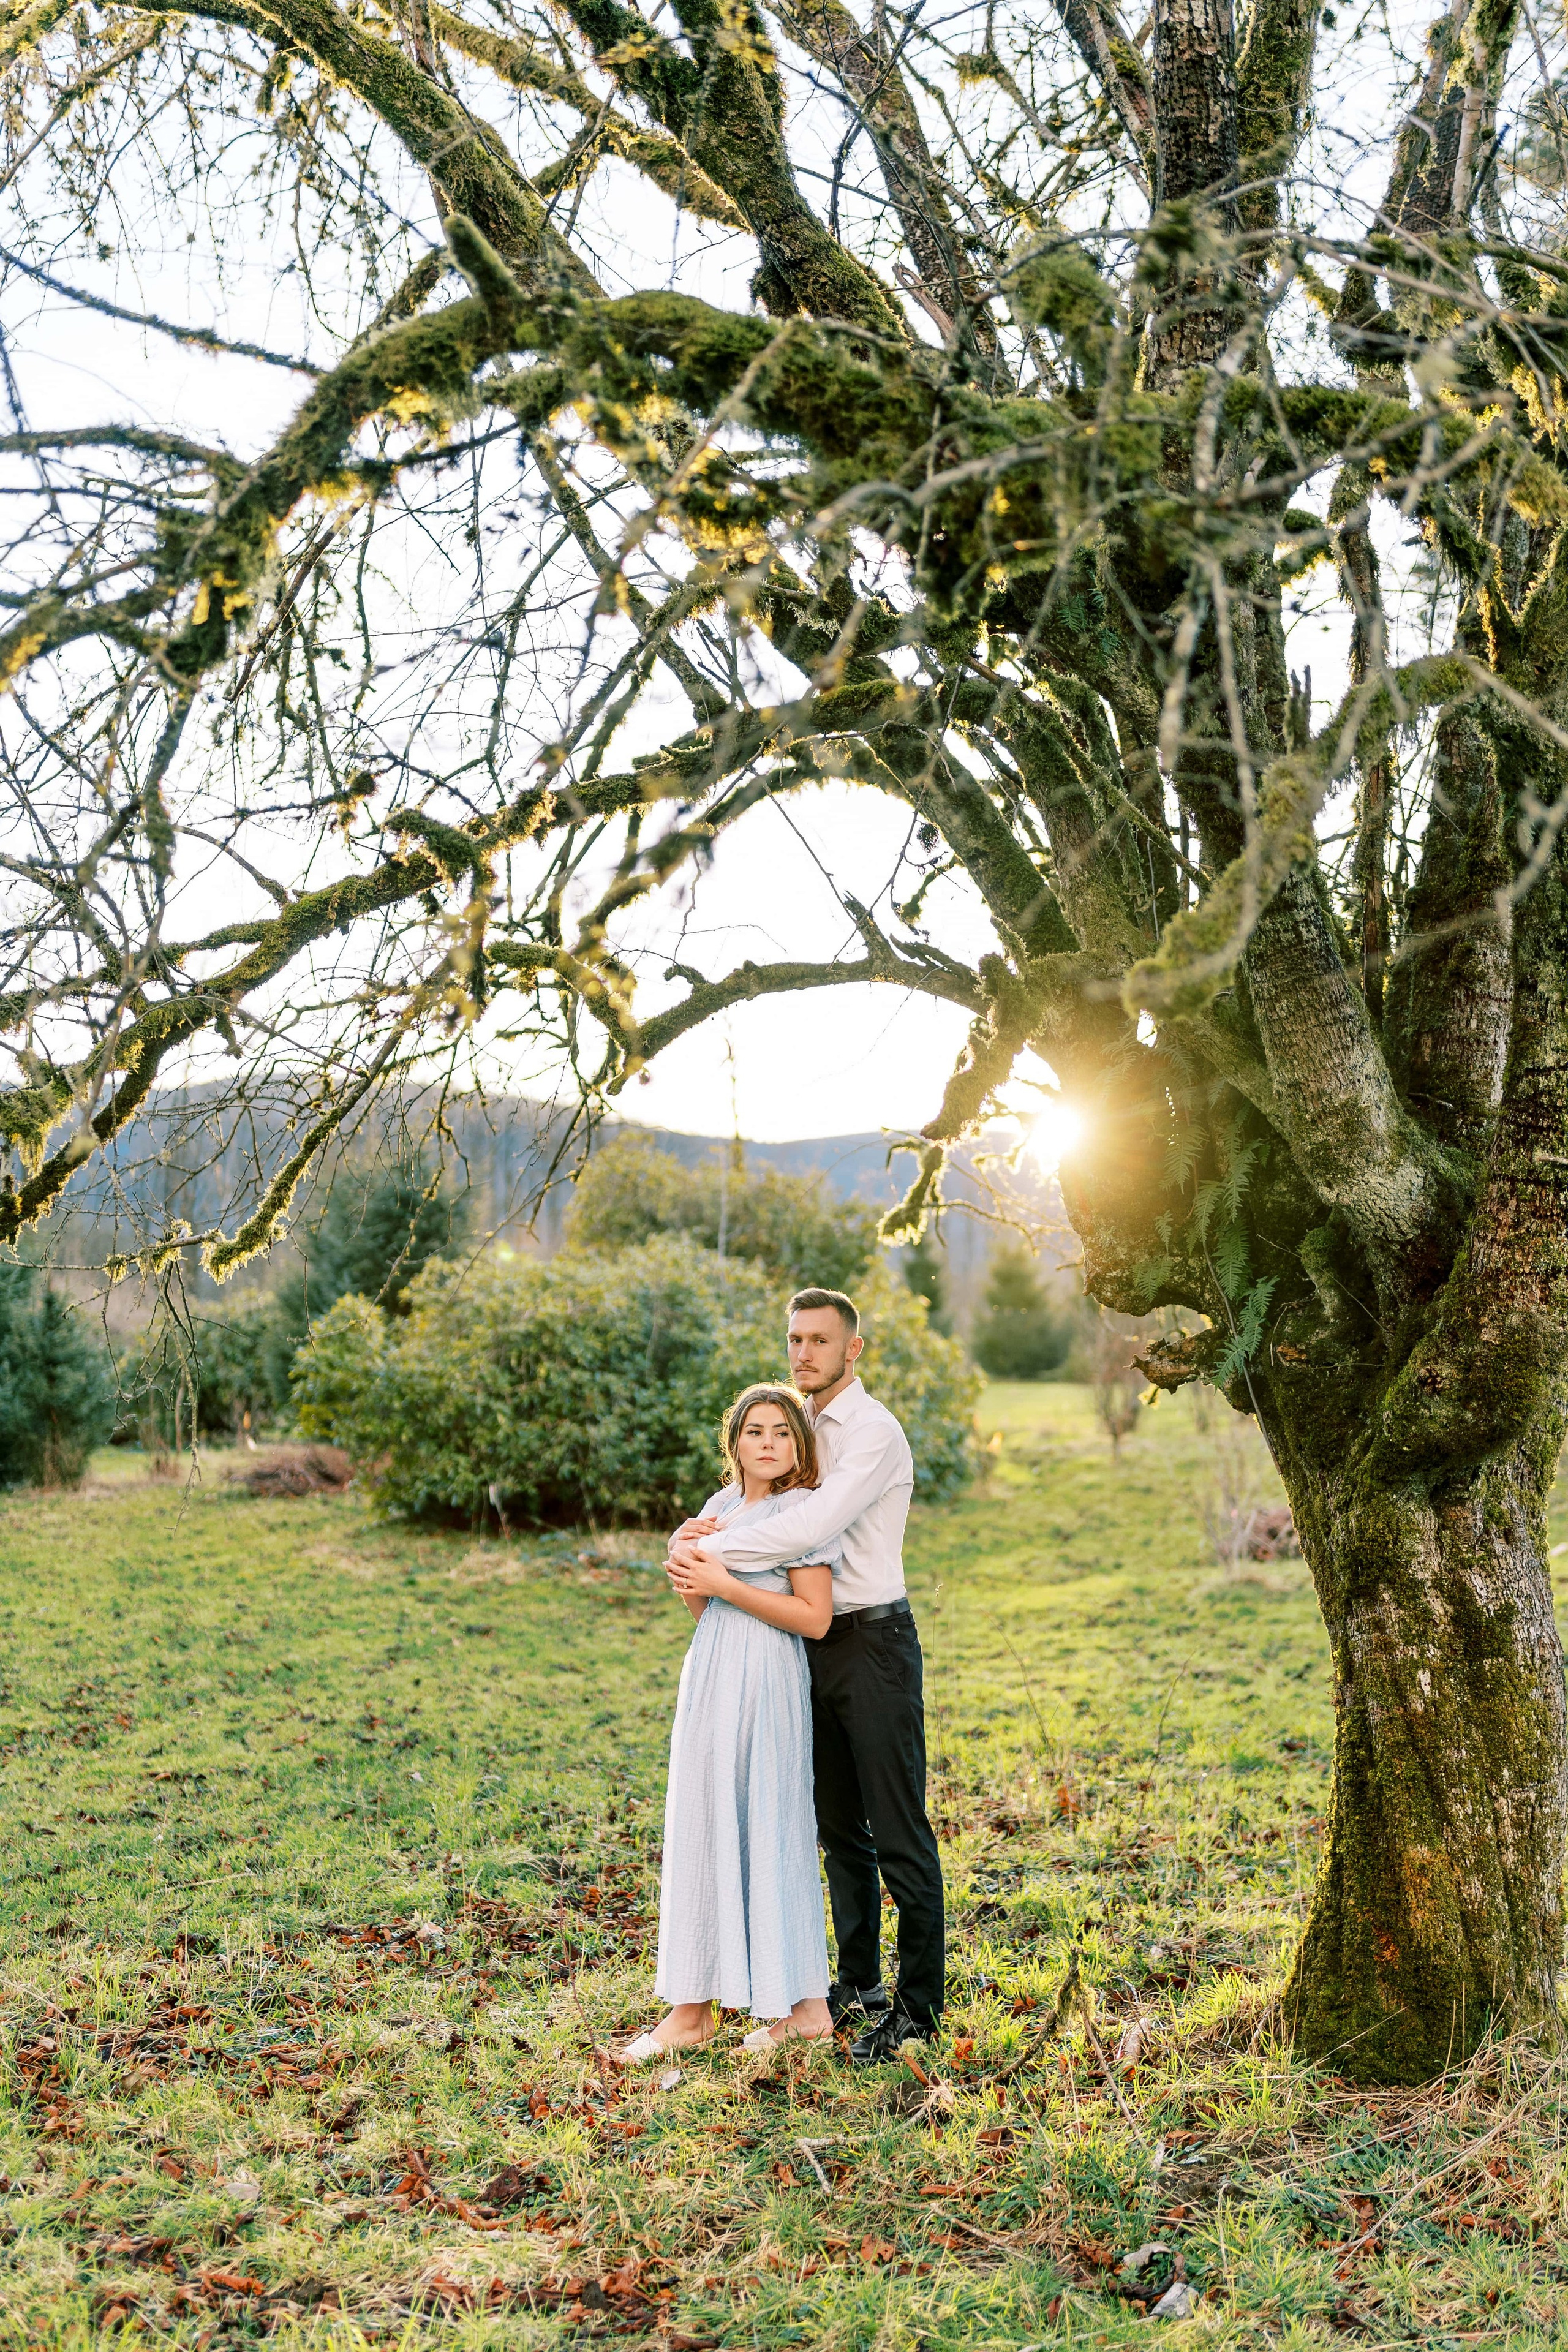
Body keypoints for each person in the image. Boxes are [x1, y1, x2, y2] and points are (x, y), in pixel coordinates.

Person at [665, 1287, 944, 2061]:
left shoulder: (872, 1432)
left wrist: (706, 1556)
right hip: (801, 1651)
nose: (803, 1354)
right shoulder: (798, 1429)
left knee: (897, 1832)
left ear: (853, 1349)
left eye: (820, 1340)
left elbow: (814, 1527)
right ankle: (856, 1986)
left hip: (873, 1643)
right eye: (795, 1339)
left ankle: (919, 2011)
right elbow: (765, 1509)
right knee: (832, 1828)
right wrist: (701, 1541)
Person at [614, 1384, 838, 2063]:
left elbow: (816, 1618)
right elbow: (701, 1605)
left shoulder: (804, 1510)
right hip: (711, 1666)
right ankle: (692, 2006)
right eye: (754, 1432)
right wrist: (693, 1584)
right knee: (705, 1818)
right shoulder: (719, 1509)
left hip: (768, 1670)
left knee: (769, 1819)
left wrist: (725, 1587)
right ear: (734, 1442)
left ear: (798, 1445)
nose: (767, 1443)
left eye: (781, 1432)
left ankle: (806, 2009)